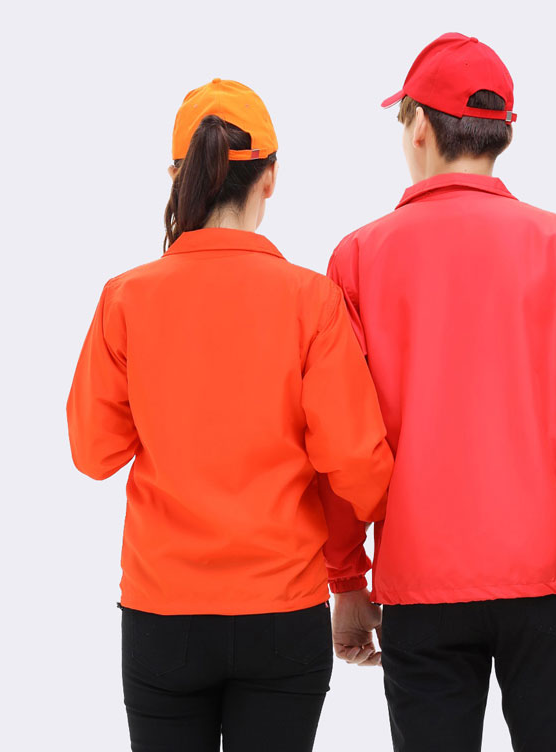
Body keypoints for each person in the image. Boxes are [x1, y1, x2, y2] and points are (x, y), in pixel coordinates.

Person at [323, 33, 556, 752]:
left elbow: (344, 436)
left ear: (418, 127)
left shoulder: (358, 258)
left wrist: (346, 578)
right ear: (504, 131)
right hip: (552, 578)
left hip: (421, 582)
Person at [66, 78, 394, 752]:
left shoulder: (126, 298)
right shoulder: (312, 302)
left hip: (163, 612)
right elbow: (357, 466)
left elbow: (93, 453)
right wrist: (368, 555)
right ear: (270, 178)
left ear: (177, 177)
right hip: (283, 610)